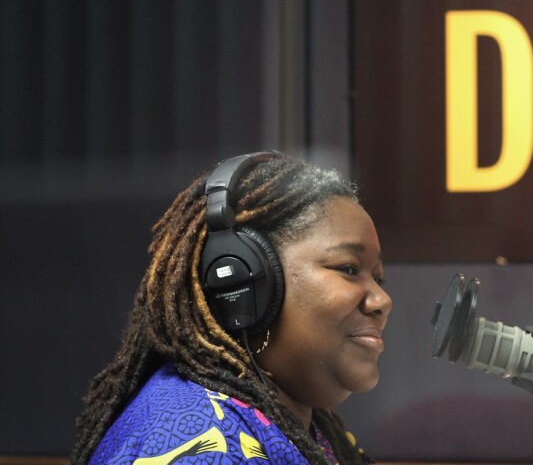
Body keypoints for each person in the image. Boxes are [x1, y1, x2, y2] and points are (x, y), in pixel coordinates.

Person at [71, 151, 392, 464]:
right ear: (243, 283)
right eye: (349, 269)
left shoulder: (283, 420)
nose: (382, 300)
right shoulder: (204, 444)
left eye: (378, 278)